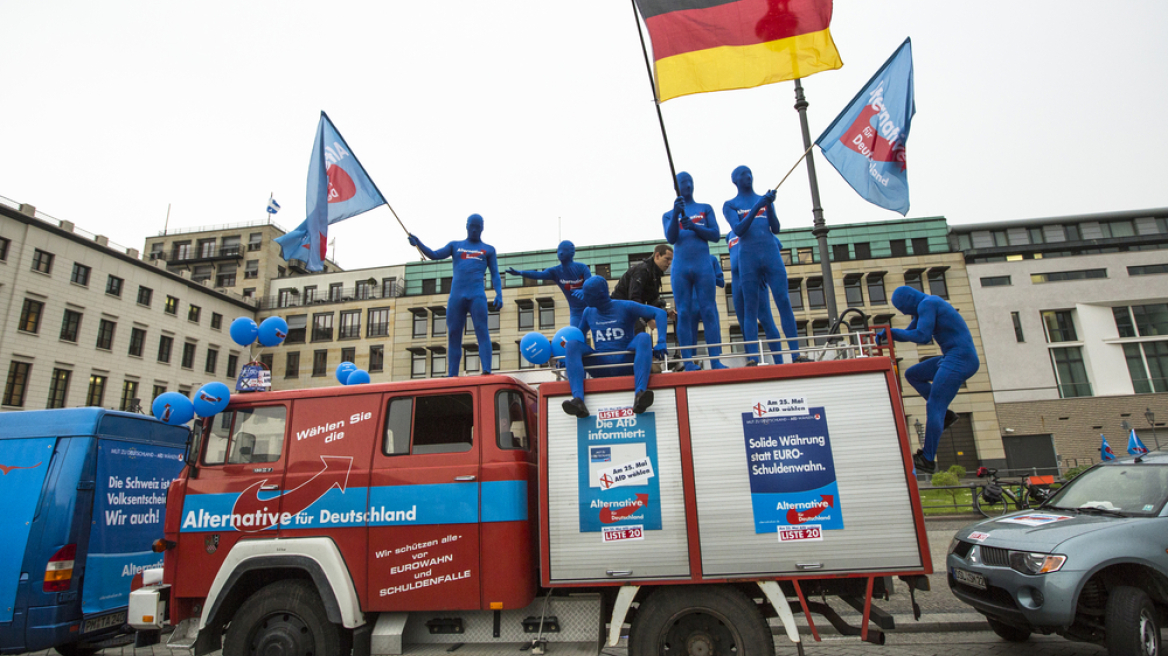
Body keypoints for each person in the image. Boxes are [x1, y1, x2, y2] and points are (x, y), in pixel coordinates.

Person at [888, 285, 979, 474]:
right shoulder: (924, 307)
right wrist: (887, 334)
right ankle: (944, 415)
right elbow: (909, 333)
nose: (903, 312)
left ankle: (928, 459)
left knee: (934, 405)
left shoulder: (928, 304)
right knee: (913, 374)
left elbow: (922, 336)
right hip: (952, 357)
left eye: (902, 308)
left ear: (909, 298)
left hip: (960, 358)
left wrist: (892, 332)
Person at [722, 166, 800, 365]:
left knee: (783, 300)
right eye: (742, 174)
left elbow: (776, 228)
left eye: (749, 173)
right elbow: (739, 229)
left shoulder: (763, 200)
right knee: (750, 308)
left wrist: (769, 206)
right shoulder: (730, 205)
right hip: (748, 259)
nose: (747, 176)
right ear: (734, 180)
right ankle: (753, 358)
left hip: (771, 254)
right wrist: (758, 207)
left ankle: (796, 354)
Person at [408, 214, 502, 377]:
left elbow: (495, 273)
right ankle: (452, 374)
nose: (474, 230)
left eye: (477, 227)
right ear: (466, 226)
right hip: (456, 297)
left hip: (477, 296)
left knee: (482, 330)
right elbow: (434, 255)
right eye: (472, 226)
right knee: (453, 334)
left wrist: (499, 293)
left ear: (482, 228)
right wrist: (419, 243)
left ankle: (487, 369)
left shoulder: (489, 249)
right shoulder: (455, 245)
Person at [562, 276, 667, 418]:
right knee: (572, 344)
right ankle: (578, 400)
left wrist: (661, 340)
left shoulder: (626, 306)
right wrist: (567, 358)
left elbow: (659, 313)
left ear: (599, 295)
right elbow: (579, 336)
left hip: (626, 362)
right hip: (600, 366)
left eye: (587, 295)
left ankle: (640, 395)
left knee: (643, 337)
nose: (584, 298)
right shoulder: (588, 312)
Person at [663, 172, 726, 371]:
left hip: (703, 265)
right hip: (680, 268)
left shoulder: (705, 208)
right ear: (676, 187)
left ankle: (715, 360)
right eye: (683, 182)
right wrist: (676, 213)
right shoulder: (668, 214)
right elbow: (671, 238)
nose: (688, 185)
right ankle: (688, 361)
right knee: (683, 312)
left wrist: (695, 227)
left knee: (709, 310)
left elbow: (715, 235)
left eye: (690, 181)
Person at [727, 229, 784, 364]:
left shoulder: (758, 229)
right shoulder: (730, 235)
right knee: (744, 323)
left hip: (754, 279)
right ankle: (752, 360)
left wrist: (763, 270)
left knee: (766, 319)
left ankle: (779, 361)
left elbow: (776, 246)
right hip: (737, 282)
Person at [505, 240, 591, 326]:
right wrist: (521, 273)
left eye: (564, 250)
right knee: (574, 333)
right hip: (576, 312)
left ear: (572, 252)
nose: (561, 253)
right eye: (559, 250)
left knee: (596, 330)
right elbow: (539, 275)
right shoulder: (555, 271)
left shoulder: (582, 268)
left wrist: (584, 291)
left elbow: (591, 284)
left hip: (592, 307)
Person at [612, 244, 675, 330]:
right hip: (620, 310)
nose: (669, 263)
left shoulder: (654, 274)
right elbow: (634, 298)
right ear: (657, 256)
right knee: (638, 329)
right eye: (667, 259)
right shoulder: (642, 271)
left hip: (627, 310)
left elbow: (653, 300)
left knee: (640, 328)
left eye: (671, 260)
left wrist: (665, 313)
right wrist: (648, 319)